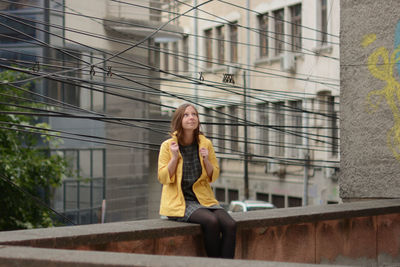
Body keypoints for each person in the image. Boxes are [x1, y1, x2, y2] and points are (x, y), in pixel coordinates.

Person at [157, 103, 237, 258]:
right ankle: (215, 263)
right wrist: (174, 158)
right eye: (186, 115)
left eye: (194, 114)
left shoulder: (205, 143)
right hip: (180, 201)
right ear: (179, 120)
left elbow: (213, 175)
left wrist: (206, 159)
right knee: (211, 222)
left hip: (203, 199)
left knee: (230, 224)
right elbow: (163, 177)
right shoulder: (168, 146)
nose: (191, 118)